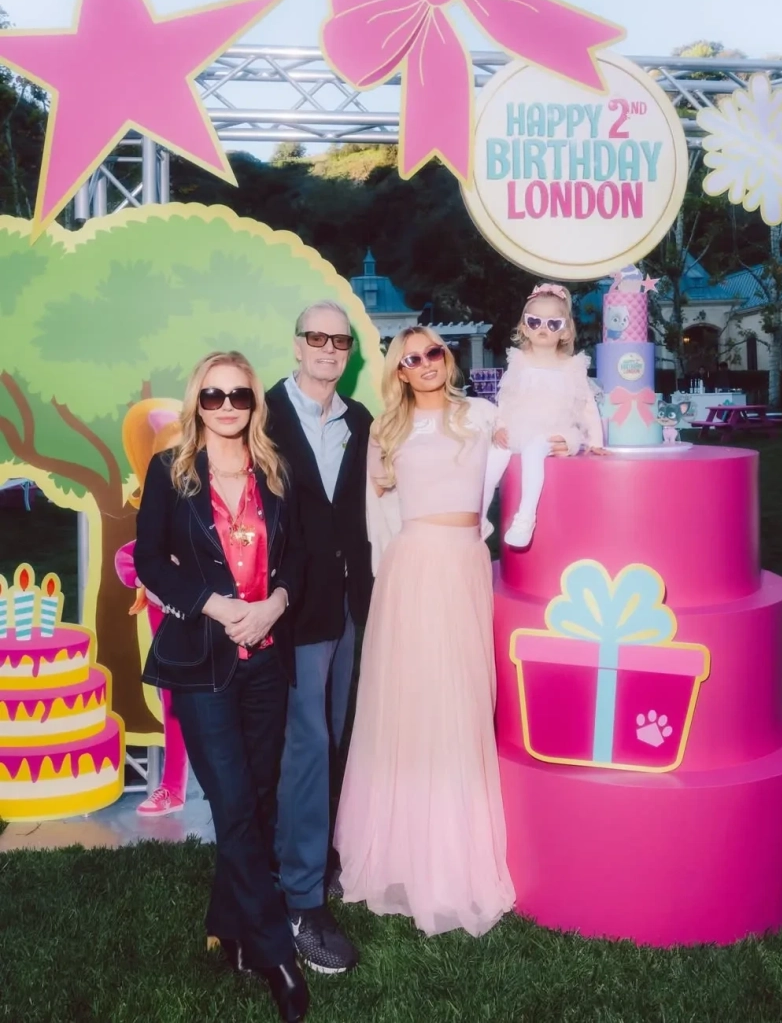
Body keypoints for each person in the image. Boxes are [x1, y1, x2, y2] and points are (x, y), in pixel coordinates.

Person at [134, 351, 309, 1023]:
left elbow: (298, 556)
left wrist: (276, 603)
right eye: (214, 395)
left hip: (266, 658)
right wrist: (213, 604)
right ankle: (276, 956)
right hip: (201, 663)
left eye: (239, 394)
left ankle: (229, 925)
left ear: (254, 403)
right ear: (198, 401)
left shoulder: (275, 469)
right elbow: (151, 560)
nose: (228, 405)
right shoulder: (171, 470)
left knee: (257, 801)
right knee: (233, 804)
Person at [335, 325, 516, 937]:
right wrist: (385, 582)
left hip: (466, 566)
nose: (425, 364)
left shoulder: (482, 415)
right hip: (412, 571)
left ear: (447, 357)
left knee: (462, 702)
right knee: (412, 707)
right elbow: (375, 518)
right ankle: (401, 854)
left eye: (432, 352)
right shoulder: (386, 432)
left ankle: (456, 852)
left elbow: (529, 445)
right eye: (410, 359)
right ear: (400, 373)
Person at [266, 301, 372, 975]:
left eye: (341, 339)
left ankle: (312, 858)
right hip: (290, 609)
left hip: (348, 605)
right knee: (305, 745)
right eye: (317, 337)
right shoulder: (261, 413)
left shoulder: (359, 420)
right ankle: (301, 900)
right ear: (297, 344)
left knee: (332, 738)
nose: (329, 348)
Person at [481, 283, 605, 548]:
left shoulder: (572, 366)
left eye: (553, 323)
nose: (542, 328)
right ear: (524, 327)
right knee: (492, 458)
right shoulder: (519, 361)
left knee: (534, 450)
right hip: (521, 425)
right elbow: (507, 398)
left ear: (565, 331)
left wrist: (596, 441)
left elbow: (587, 405)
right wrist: (500, 427)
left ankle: (525, 518)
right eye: (535, 321)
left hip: (557, 430)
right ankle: (478, 517)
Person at [114, 400, 189, 816]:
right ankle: (173, 786)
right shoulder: (155, 511)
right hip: (172, 631)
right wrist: (154, 579)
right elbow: (131, 560)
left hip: (220, 620)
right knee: (174, 700)